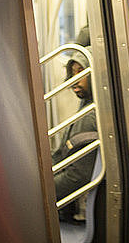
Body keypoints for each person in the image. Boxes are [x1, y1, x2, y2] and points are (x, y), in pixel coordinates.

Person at [53, 48, 98, 223]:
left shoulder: (91, 116)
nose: (74, 80)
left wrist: (40, 191)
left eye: (81, 71)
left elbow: (76, 176)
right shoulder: (87, 105)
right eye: (72, 73)